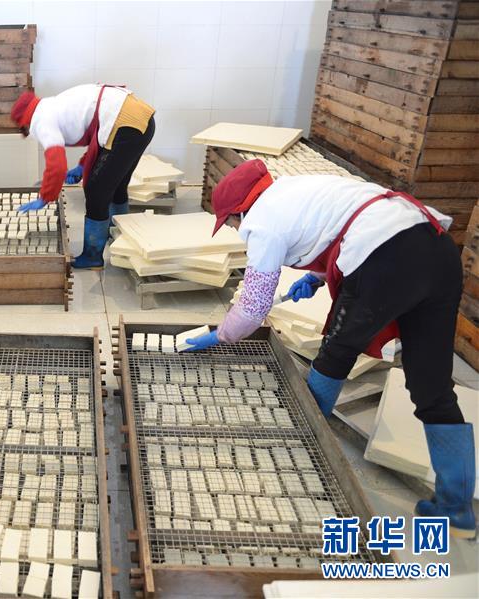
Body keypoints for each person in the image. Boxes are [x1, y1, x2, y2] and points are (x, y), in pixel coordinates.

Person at [185, 160, 475, 539]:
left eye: (231, 223)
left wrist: (222, 334)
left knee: (335, 354)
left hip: (387, 261)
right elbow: (344, 223)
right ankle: (456, 508)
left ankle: (301, 453)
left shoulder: (262, 223)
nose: (236, 230)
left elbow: (253, 308)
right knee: (432, 385)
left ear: (240, 212)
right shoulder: (294, 188)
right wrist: (317, 276)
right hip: (436, 251)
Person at [9, 84, 155, 269]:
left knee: (96, 190)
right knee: (116, 185)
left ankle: (93, 256)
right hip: (140, 121)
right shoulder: (52, 105)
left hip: (126, 126)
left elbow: (57, 166)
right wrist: (82, 166)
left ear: (25, 122)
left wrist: (46, 197)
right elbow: (98, 133)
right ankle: (120, 237)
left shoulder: (41, 121)